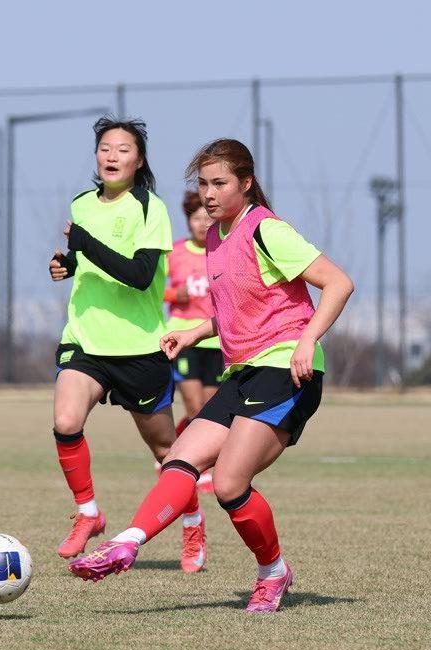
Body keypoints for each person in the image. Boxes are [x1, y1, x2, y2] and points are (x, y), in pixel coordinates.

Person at [70, 139, 355, 612]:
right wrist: (194, 333)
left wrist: (308, 340)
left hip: (286, 370)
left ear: (245, 183)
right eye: (202, 183)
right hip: (244, 373)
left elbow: (338, 283)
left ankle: (272, 573)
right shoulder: (216, 238)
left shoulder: (267, 229)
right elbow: (239, 312)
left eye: (219, 183)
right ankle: (126, 542)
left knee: (227, 483)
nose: (208, 193)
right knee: (179, 459)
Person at [48, 117, 207, 572]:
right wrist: (66, 265)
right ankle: (88, 513)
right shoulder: (81, 204)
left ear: (139, 160)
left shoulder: (149, 208)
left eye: (122, 149)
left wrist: (85, 245)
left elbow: (139, 277)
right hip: (85, 340)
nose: (111, 156)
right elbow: (84, 260)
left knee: (166, 453)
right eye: (104, 148)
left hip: (140, 348)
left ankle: (192, 520)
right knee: (65, 419)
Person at [165, 191, 222, 494]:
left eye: (207, 218)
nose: (202, 223)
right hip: (184, 339)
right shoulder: (174, 252)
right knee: (194, 405)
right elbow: (150, 290)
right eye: (196, 218)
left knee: (210, 409)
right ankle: (195, 465)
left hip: (216, 339)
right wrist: (175, 295)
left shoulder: (222, 251)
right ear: (187, 220)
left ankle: (177, 447)